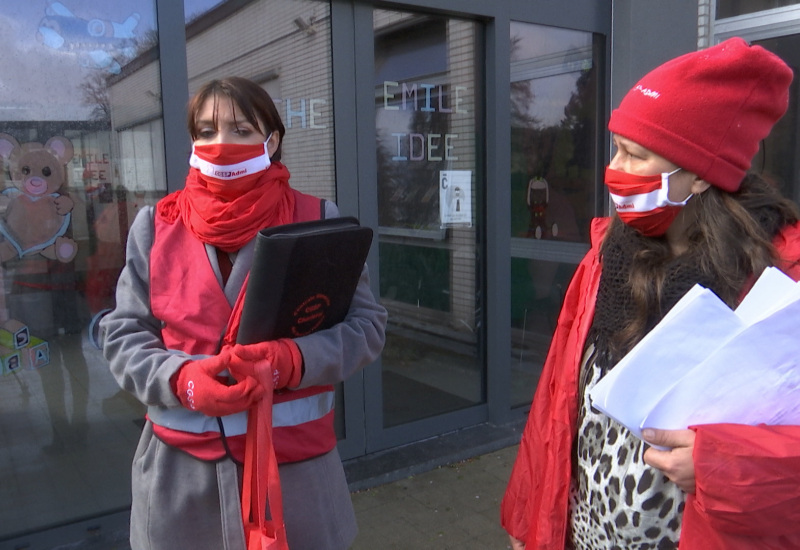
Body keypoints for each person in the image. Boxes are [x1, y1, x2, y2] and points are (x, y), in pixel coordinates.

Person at [501, 37, 800, 549]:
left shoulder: (779, 280)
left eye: (634, 154)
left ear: (700, 176)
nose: (613, 168)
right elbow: (558, 402)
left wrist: (723, 463)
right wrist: (531, 523)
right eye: (617, 146)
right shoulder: (607, 255)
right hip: (580, 530)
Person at [101, 76, 387, 550]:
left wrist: (295, 361)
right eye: (207, 130)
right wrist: (182, 381)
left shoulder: (317, 218)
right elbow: (122, 334)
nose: (221, 144)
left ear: (271, 140)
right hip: (180, 485)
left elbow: (367, 327)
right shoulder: (155, 226)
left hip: (296, 484)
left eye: (240, 129)